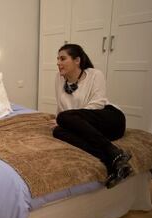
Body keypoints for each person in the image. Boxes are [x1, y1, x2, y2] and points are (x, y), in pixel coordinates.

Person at [52, 44, 132, 188]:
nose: (58, 63)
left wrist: (71, 120)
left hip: (109, 119)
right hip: (87, 126)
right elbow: (61, 106)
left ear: (77, 60)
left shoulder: (95, 74)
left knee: (63, 118)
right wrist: (66, 120)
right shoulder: (59, 78)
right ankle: (112, 159)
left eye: (63, 59)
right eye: (57, 59)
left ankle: (113, 151)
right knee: (57, 131)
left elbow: (98, 104)